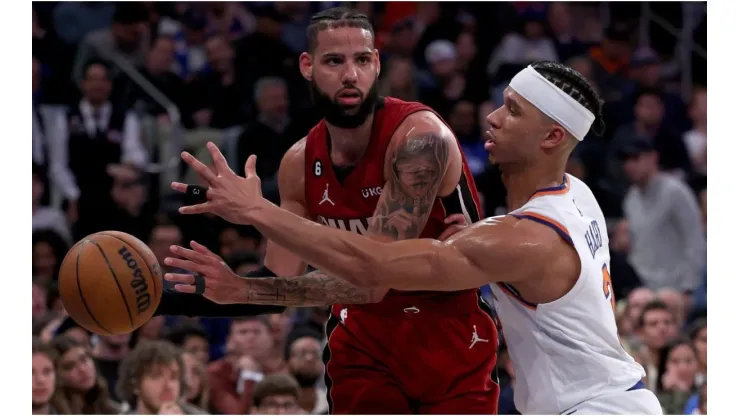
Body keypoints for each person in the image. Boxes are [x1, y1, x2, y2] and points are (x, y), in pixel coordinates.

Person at [166, 61, 663, 415]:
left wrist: (257, 211)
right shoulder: (575, 195)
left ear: (553, 137)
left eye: (512, 111)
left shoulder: (520, 239)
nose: (491, 117)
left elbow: (374, 269)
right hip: (616, 395)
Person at [159, 6, 497, 414]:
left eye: (362, 60)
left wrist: (256, 212)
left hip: (451, 332)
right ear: (307, 65)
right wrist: (179, 295)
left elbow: (376, 274)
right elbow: (280, 282)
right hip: (364, 339)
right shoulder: (298, 164)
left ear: (377, 64)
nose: (350, 74)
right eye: (334, 60)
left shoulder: (420, 139)